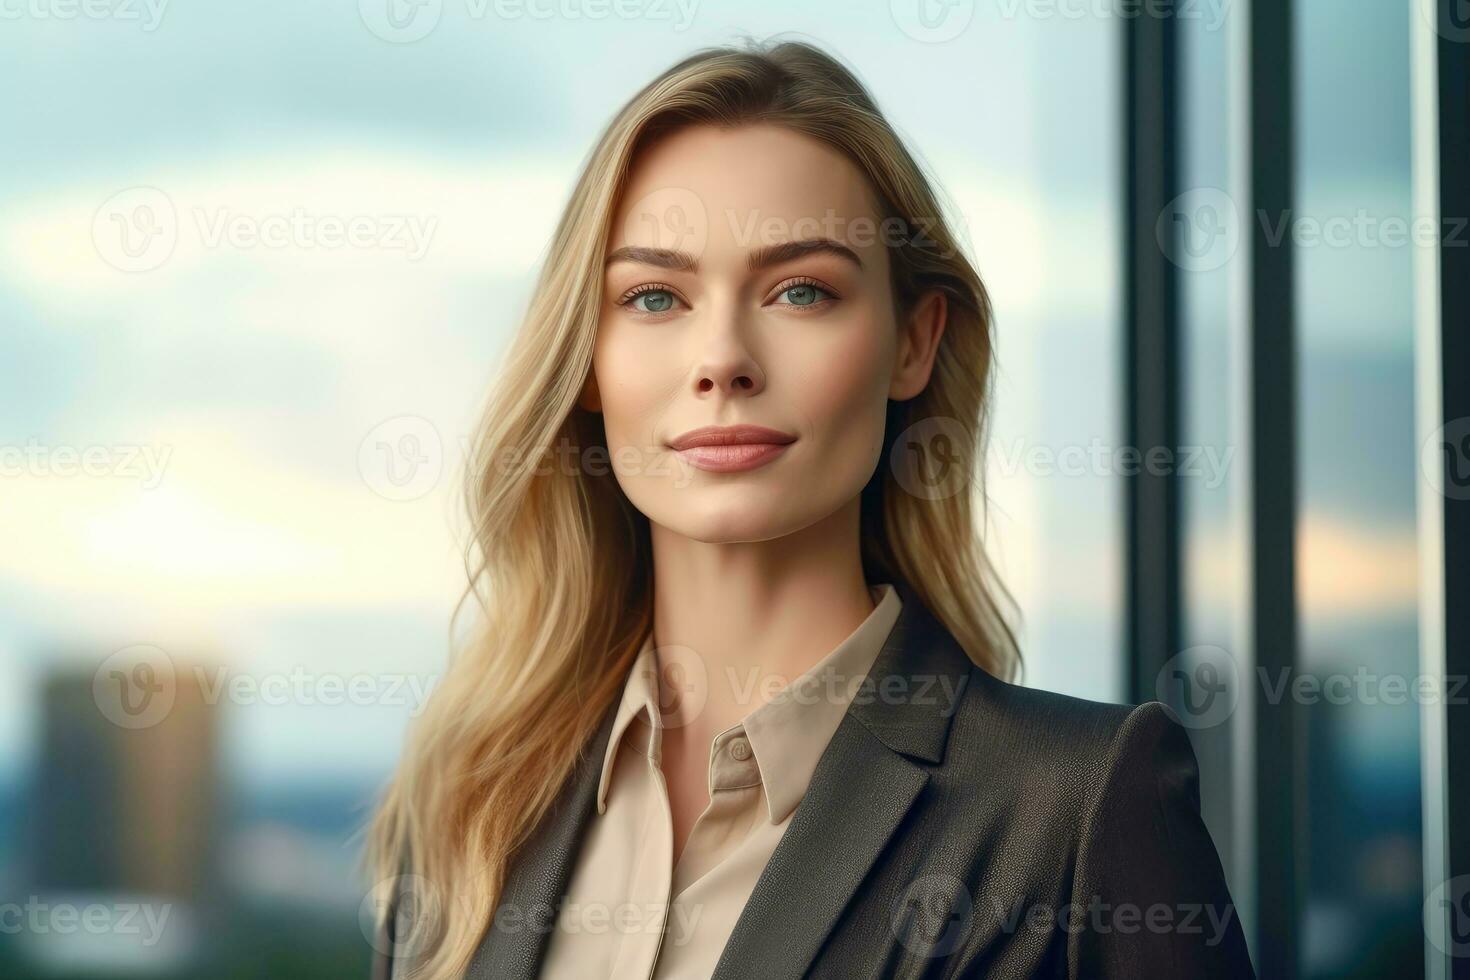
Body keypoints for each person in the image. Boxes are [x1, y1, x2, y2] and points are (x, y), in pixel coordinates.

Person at [367, 37, 1254, 980]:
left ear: (913, 343)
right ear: (588, 359)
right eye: (656, 296)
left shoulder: (1077, 809)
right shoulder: (477, 809)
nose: (723, 359)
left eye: (801, 290)